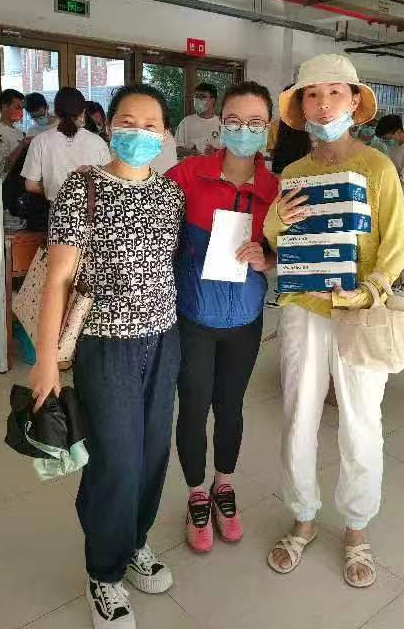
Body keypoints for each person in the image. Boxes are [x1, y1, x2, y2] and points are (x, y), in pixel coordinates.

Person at [29, 83, 185, 629]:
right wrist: (45, 360)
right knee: (116, 460)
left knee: (152, 454)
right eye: (127, 122)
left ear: (165, 135)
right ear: (108, 126)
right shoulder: (83, 187)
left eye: (150, 125)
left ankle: (135, 541)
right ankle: (103, 571)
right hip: (105, 345)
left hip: (163, 341)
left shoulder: (170, 195)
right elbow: (58, 279)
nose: (138, 133)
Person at [263, 54, 404, 588]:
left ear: (353, 101)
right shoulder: (294, 174)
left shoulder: (378, 168)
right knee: (298, 414)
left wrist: (370, 289)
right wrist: (275, 219)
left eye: (334, 93)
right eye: (312, 95)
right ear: (301, 107)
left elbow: (395, 244)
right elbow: (280, 241)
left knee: (361, 419)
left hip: (359, 313)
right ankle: (302, 515)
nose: (323, 105)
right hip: (303, 308)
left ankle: (356, 525)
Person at [166, 81, 278, 554]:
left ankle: (223, 485)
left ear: (268, 128)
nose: (243, 130)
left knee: (230, 407)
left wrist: (269, 258)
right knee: (193, 408)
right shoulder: (187, 175)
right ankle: (196, 493)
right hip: (193, 317)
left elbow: (293, 251)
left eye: (255, 123)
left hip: (245, 320)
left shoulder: (276, 190)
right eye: (234, 121)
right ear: (220, 124)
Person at [21, 87, 111, 203]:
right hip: (91, 209)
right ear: (83, 112)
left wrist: (55, 190)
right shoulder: (97, 142)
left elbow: (31, 185)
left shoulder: (40, 141)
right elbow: (108, 182)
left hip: (56, 209)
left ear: (56, 112)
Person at [376, 114, 404, 294]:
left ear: (398, 132)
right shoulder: (394, 147)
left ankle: (400, 283)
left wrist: (389, 191)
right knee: (391, 241)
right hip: (392, 199)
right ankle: (396, 280)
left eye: (388, 137)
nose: (387, 141)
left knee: (398, 243)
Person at [175, 82, 221, 156]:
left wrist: (215, 151)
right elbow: (176, 148)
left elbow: (229, 151)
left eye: (203, 97)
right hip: (192, 163)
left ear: (213, 100)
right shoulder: (186, 122)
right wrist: (191, 153)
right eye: (196, 96)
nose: (198, 100)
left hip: (215, 163)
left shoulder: (221, 123)